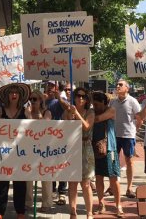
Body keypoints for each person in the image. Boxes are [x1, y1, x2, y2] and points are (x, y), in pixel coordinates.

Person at [0, 83, 29, 219]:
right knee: (2, 182)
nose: (14, 95)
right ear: (7, 96)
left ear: (20, 96)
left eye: (16, 93)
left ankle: (20, 211)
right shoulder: (0, 111)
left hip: (21, 152)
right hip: (3, 151)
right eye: (11, 93)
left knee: (20, 182)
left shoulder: (25, 111)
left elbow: (33, 128)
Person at [62, 86, 95, 218]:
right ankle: (72, 212)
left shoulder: (90, 112)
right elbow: (64, 128)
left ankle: (89, 212)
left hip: (86, 147)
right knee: (72, 183)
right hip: (72, 148)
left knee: (86, 183)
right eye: (78, 96)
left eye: (83, 96)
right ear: (74, 98)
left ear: (87, 99)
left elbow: (87, 127)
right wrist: (70, 115)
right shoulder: (68, 111)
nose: (80, 98)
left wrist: (77, 114)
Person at [92, 91, 123, 217]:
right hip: (96, 149)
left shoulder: (111, 110)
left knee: (114, 179)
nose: (95, 107)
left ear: (104, 103)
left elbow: (98, 119)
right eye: (93, 104)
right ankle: (101, 203)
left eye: (97, 104)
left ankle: (118, 205)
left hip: (110, 148)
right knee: (99, 177)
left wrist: (86, 118)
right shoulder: (92, 112)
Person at [110, 79, 141, 197]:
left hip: (128, 136)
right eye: (117, 84)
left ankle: (129, 188)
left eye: (120, 85)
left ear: (127, 88)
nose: (118, 86)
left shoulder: (133, 101)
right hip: (114, 136)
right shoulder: (113, 102)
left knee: (129, 162)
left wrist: (133, 131)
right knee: (113, 161)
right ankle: (112, 186)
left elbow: (140, 118)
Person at [24, 90, 53, 212]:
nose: (32, 101)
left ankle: (46, 203)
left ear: (41, 100)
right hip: (29, 148)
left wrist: (31, 117)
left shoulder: (47, 112)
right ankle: (28, 202)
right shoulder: (26, 113)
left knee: (46, 176)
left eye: (35, 99)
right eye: (30, 99)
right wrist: (28, 115)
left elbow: (43, 127)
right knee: (28, 176)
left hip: (44, 149)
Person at [44, 81, 67, 204]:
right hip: (46, 139)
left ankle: (62, 192)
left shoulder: (61, 100)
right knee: (50, 165)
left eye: (52, 86)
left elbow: (68, 108)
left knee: (61, 165)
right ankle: (52, 190)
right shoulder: (44, 101)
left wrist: (60, 98)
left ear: (57, 88)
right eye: (48, 86)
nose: (49, 88)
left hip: (60, 137)